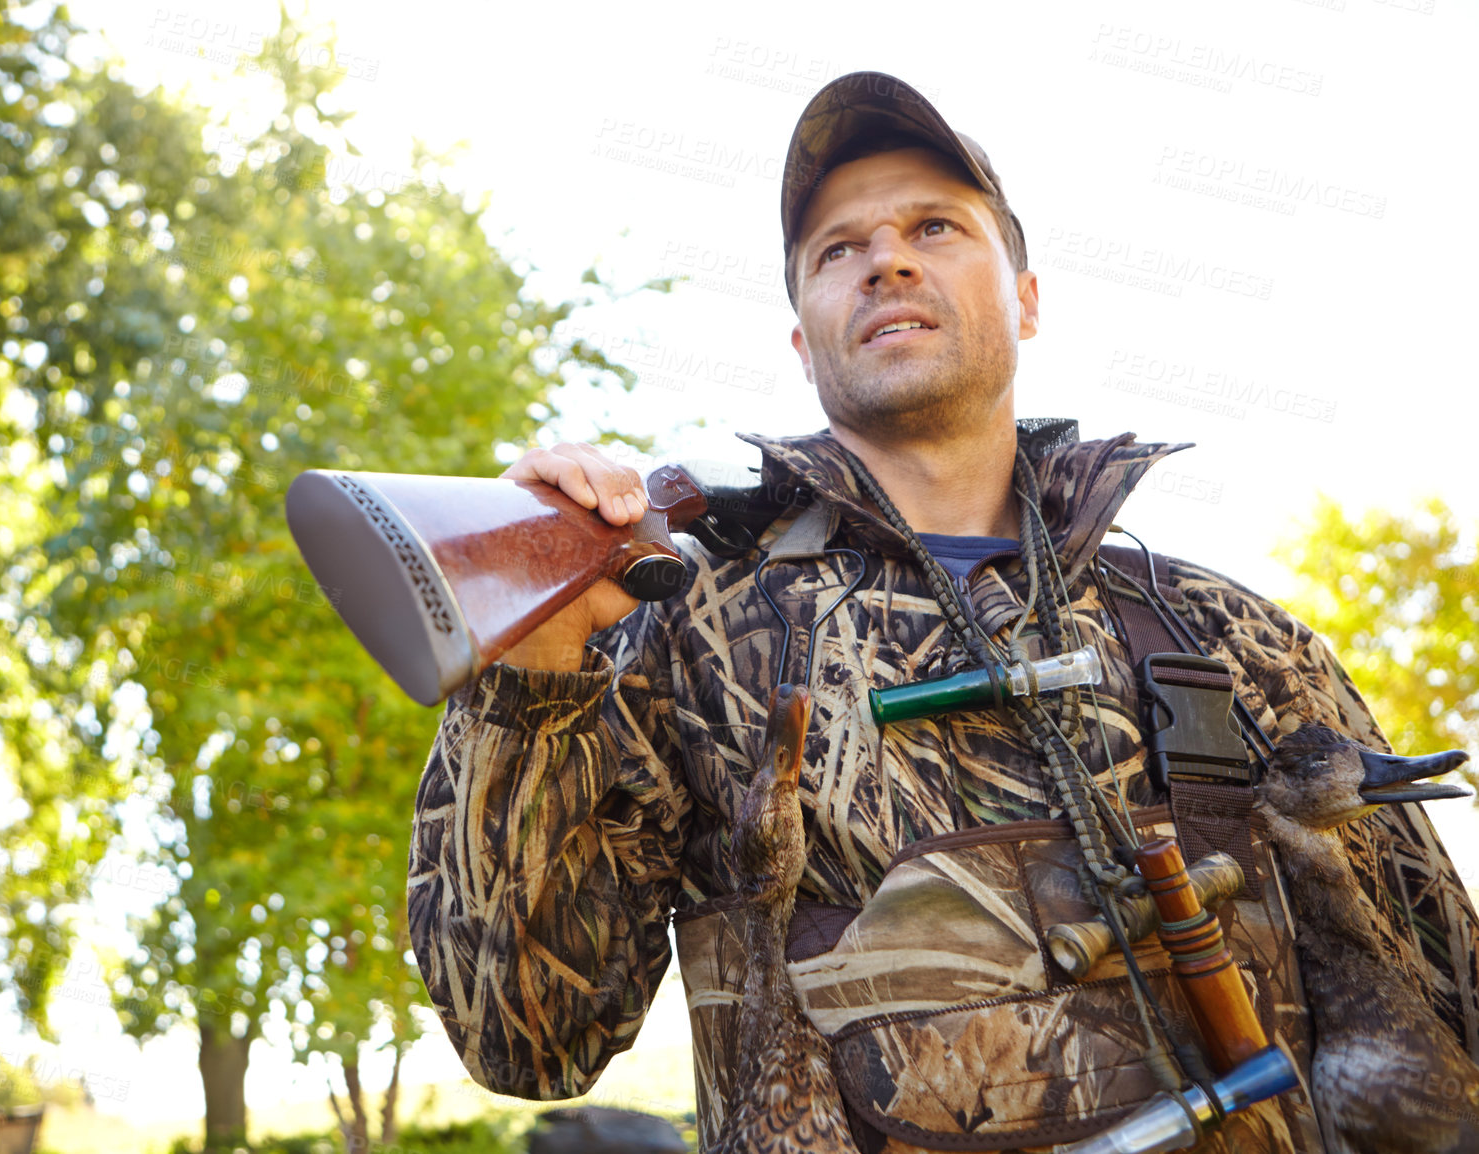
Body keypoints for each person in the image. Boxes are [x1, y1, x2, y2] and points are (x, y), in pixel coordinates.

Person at [406, 72, 1479, 1153]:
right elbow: (528, 1042)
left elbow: (1449, 996)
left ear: (1024, 297)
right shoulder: (676, 633)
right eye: (836, 250)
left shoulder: (1230, 635)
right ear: (801, 339)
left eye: (934, 226)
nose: (887, 259)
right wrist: (533, 674)